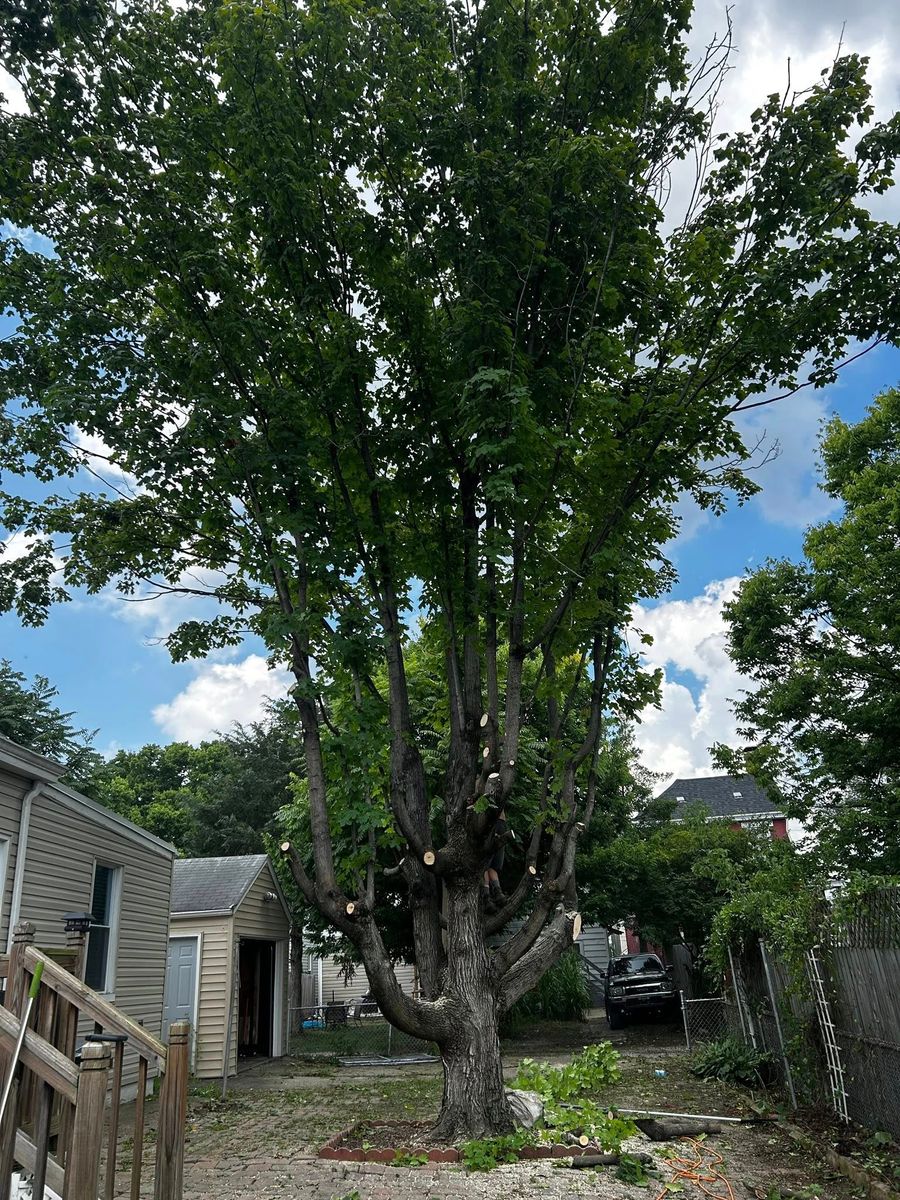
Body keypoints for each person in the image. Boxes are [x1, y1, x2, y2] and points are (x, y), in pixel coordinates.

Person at [483, 810, 508, 912]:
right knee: (493, 866)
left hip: (489, 822)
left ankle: (486, 896)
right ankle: (498, 893)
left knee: (483, 863)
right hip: (501, 823)